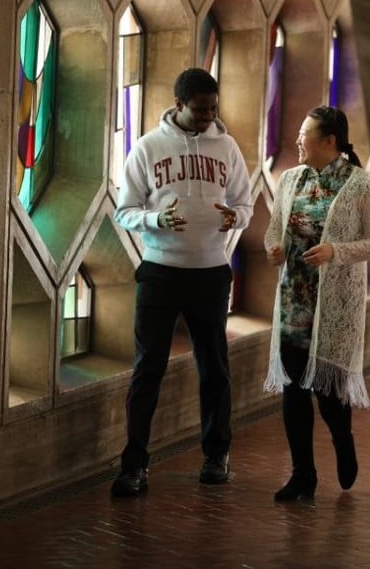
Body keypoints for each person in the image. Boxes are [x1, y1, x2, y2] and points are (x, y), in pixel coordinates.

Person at [111, 68, 253, 497]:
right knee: (147, 368)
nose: (208, 116)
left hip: (210, 271)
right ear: (178, 105)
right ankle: (134, 464)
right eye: (199, 109)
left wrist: (237, 218)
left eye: (213, 108)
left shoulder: (227, 147)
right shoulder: (149, 148)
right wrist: (155, 219)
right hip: (159, 271)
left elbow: (244, 200)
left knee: (214, 366)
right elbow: (125, 210)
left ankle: (216, 456)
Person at [264, 105, 370, 501]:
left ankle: (343, 440)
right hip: (293, 302)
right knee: (294, 391)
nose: (298, 140)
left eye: (305, 133)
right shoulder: (289, 180)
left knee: (329, 396)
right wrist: (274, 248)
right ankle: (303, 476)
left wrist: (336, 250)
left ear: (329, 141)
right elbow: (272, 229)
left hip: (333, 308)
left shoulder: (360, 185)